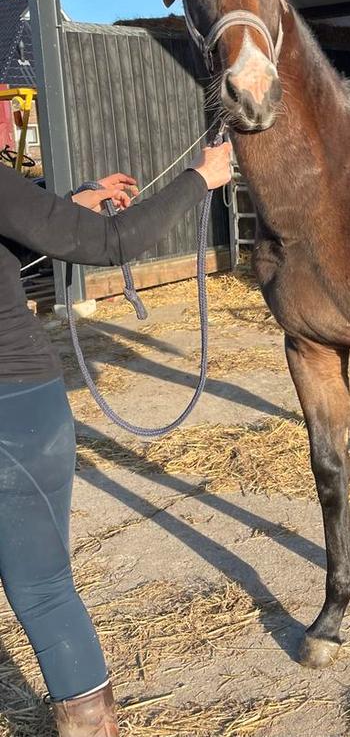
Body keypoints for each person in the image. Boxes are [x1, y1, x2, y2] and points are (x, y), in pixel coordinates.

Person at [0, 142, 232, 737]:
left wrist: (68, 206)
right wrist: (200, 180)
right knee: (45, 591)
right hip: (16, 409)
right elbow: (112, 243)